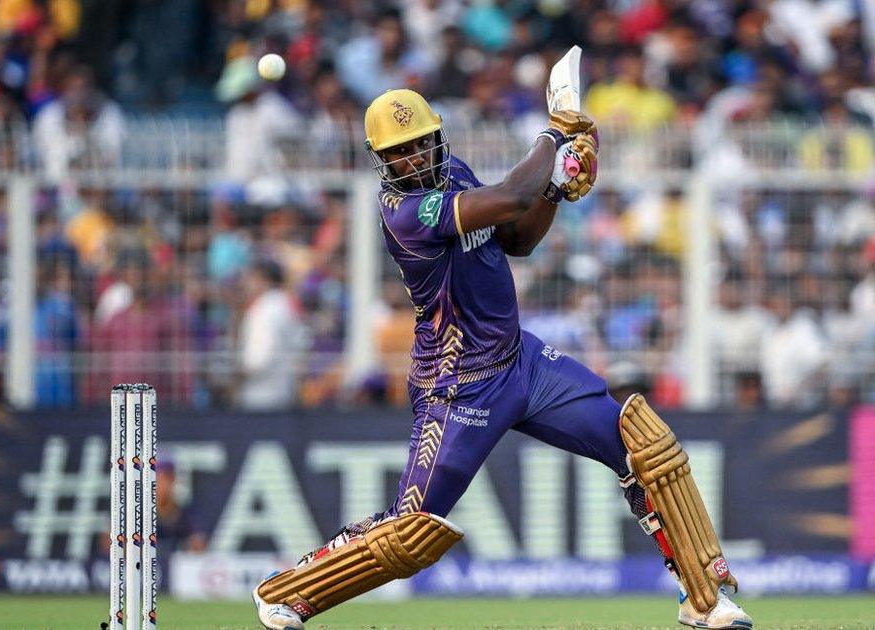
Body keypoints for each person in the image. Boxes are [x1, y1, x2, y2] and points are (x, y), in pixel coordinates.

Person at [252, 89, 753, 630]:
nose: (415, 158)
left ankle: (705, 598)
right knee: (412, 532)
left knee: (643, 446)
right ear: (381, 160)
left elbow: (517, 237)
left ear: (437, 136)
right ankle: (290, 590)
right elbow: (514, 195)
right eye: (400, 152)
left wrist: (556, 191)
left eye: (421, 143)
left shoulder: (457, 174)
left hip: (522, 361)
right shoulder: (403, 213)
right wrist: (553, 136)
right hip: (458, 384)